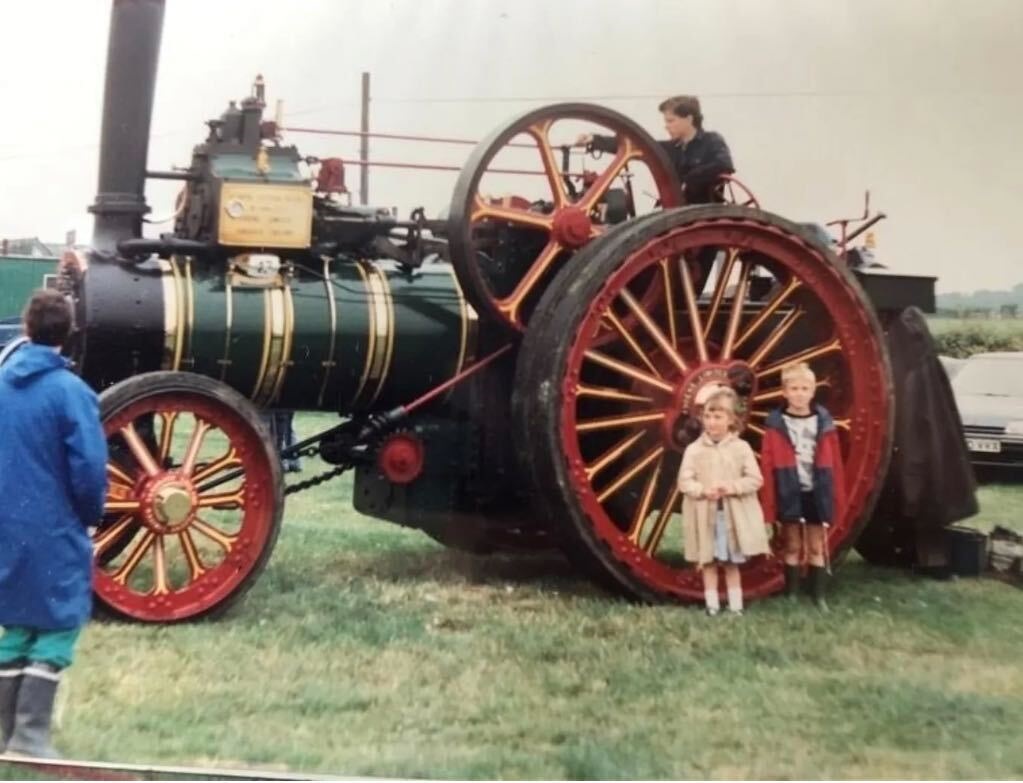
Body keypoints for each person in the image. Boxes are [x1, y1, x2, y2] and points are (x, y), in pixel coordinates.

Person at [0, 290, 108, 758]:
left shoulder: (1, 383)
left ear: (26, 329)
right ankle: (30, 736)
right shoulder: (72, 393)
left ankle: (6, 734)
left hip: (6, 521)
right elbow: (88, 469)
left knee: (18, 625)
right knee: (59, 623)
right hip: (53, 523)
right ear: (68, 335)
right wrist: (91, 516)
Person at [759, 362, 846, 611]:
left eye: (804, 388)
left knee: (817, 545)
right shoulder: (775, 424)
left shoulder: (824, 423)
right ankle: (792, 594)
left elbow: (835, 463)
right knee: (792, 545)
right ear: (784, 392)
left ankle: (818, 597)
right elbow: (768, 462)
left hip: (816, 489)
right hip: (789, 489)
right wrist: (770, 497)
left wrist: (834, 494)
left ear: (812, 391)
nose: (799, 393)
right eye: (794, 388)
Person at [678, 387, 771, 616]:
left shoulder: (741, 448)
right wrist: (702, 491)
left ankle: (736, 605)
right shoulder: (694, 450)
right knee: (708, 562)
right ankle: (712, 605)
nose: (712, 423)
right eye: (708, 417)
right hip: (706, 514)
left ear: (731, 420)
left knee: (731, 563)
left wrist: (732, 488)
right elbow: (684, 481)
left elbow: (755, 479)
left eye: (718, 417)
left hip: (731, 515)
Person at [576, 94, 735, 204]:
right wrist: (595, 139)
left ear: (689, 119)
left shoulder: (712, 141)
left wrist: (689, 180)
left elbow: (724, 165)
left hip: (706, 215)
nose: (666, 126)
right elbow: (637, 145)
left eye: (671, 121)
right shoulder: (672, 148)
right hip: (679, 213)